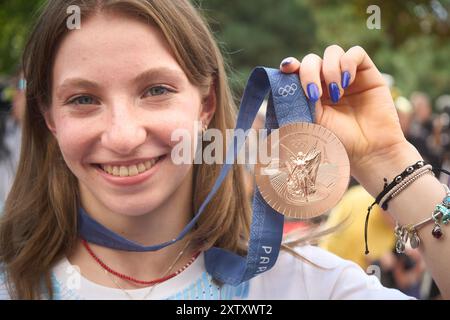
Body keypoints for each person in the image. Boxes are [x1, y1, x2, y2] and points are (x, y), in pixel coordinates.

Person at [0, 0, 449, 300]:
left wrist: (388, 159)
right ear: (49, 118)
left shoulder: (304, 286)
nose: (122, 135)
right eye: (83, 99)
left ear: (206, 103)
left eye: (155, 90)